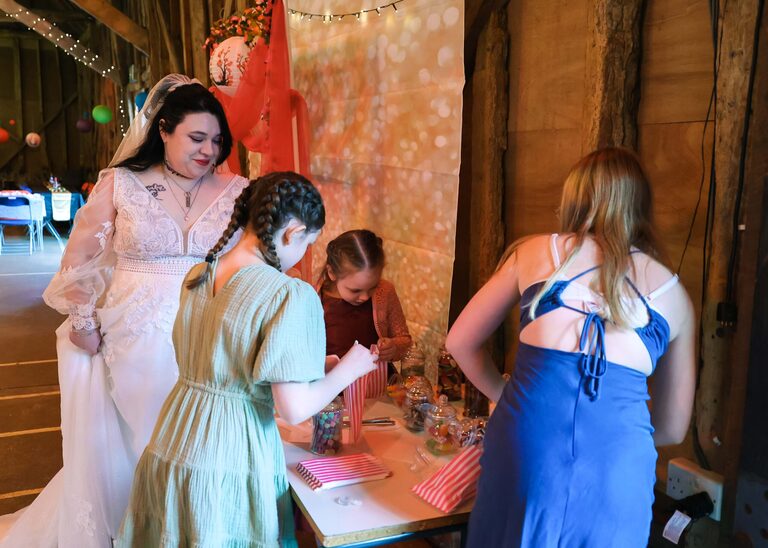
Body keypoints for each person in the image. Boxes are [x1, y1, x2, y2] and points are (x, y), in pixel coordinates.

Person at [0, 75, 249, 548]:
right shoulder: (123, 183)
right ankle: (142, 529)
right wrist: (83, 321)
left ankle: (189, 529)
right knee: (145, 436)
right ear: (163, 131)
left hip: (210, 328)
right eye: (196, 138)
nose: (207, 151)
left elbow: (252, 258)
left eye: (216, 141)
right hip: (136, 329)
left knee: (199, 439)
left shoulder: (238, 188)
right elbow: (80, 259)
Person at [446, 147, 696, 547]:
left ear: (573, 199)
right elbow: (670, 427)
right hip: (620, 460)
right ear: (641, 206)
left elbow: (460, 341)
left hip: (528, 440)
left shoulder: (534, 253)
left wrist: (504, 394)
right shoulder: (675, 293)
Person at [115, 172, 378, 547]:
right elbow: (294, 409)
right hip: (229, 454)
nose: (303, 255)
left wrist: (317, 368)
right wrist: (350, 369)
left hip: (172, 440)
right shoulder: (289, 294)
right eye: (307, 244)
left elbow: (223, 357)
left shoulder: (199, 274)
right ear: (293, 232)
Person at [318, 229, 412, 397]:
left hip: (378, 391)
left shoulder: (386, 292)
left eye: (373, 287)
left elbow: (404, 341)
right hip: (332, 393)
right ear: (332, 273)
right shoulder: (314, 299)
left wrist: (393, 347)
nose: (364, 297)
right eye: (355, 290)